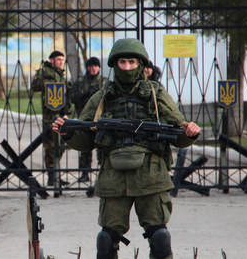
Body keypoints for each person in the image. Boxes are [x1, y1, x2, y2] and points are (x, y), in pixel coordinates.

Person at [52, 38, 201, 259]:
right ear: (115, 64)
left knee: (160, 237)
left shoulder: (155, 93)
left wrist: (190, 132)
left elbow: (178, 133)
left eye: (132, 62)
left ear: (140, 64)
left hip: (151, 175)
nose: (128, 67)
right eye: (123, 62)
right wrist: (68, 133)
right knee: (105, 240)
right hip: (113, 175)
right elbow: (85, 139)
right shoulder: (102, 97)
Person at [31, 50, 73, 186]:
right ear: (52, 60)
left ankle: (56, 174)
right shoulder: (44, 72)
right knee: (50, 146)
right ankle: (51, 176)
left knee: (60, 145)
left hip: (61, 115)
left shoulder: (61, 74)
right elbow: (35, 86)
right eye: (59, 60)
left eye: (62, 60)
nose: (61, 62)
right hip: (50, 116)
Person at [71, 56, 109, 182]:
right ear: (87, 67)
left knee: (102, 146)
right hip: (85, 118)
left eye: (95, 66)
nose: (93, 69)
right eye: (91, 66)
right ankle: (84, 173)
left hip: (101, 119)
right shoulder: (81, 82)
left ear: (99, 67)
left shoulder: (104, 82)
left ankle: (103, 172)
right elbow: (73, 97)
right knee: (85, 147)